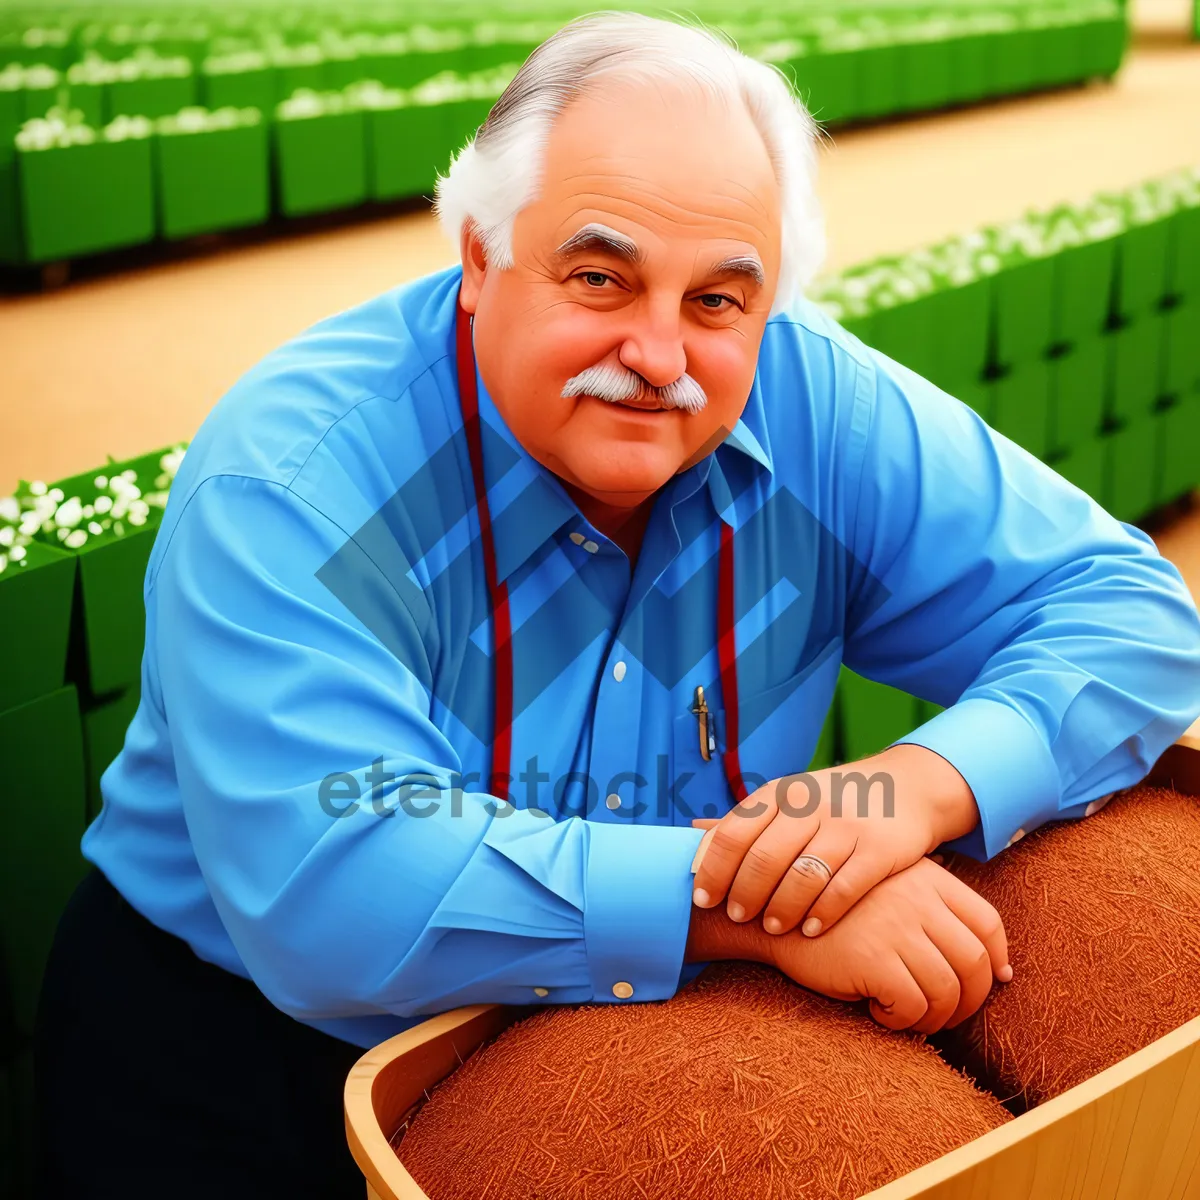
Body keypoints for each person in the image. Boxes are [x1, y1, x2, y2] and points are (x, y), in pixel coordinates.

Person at [35, 12, 1200, 1199]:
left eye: (718, 300)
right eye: (601, 277)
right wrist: (751, 899)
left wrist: (908, 789)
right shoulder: (298, 478)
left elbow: (1128, 608)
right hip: (236, 1046)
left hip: (595, 1044)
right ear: (479, 255)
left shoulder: (820, 408)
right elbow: (333, 883)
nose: (659, 353)